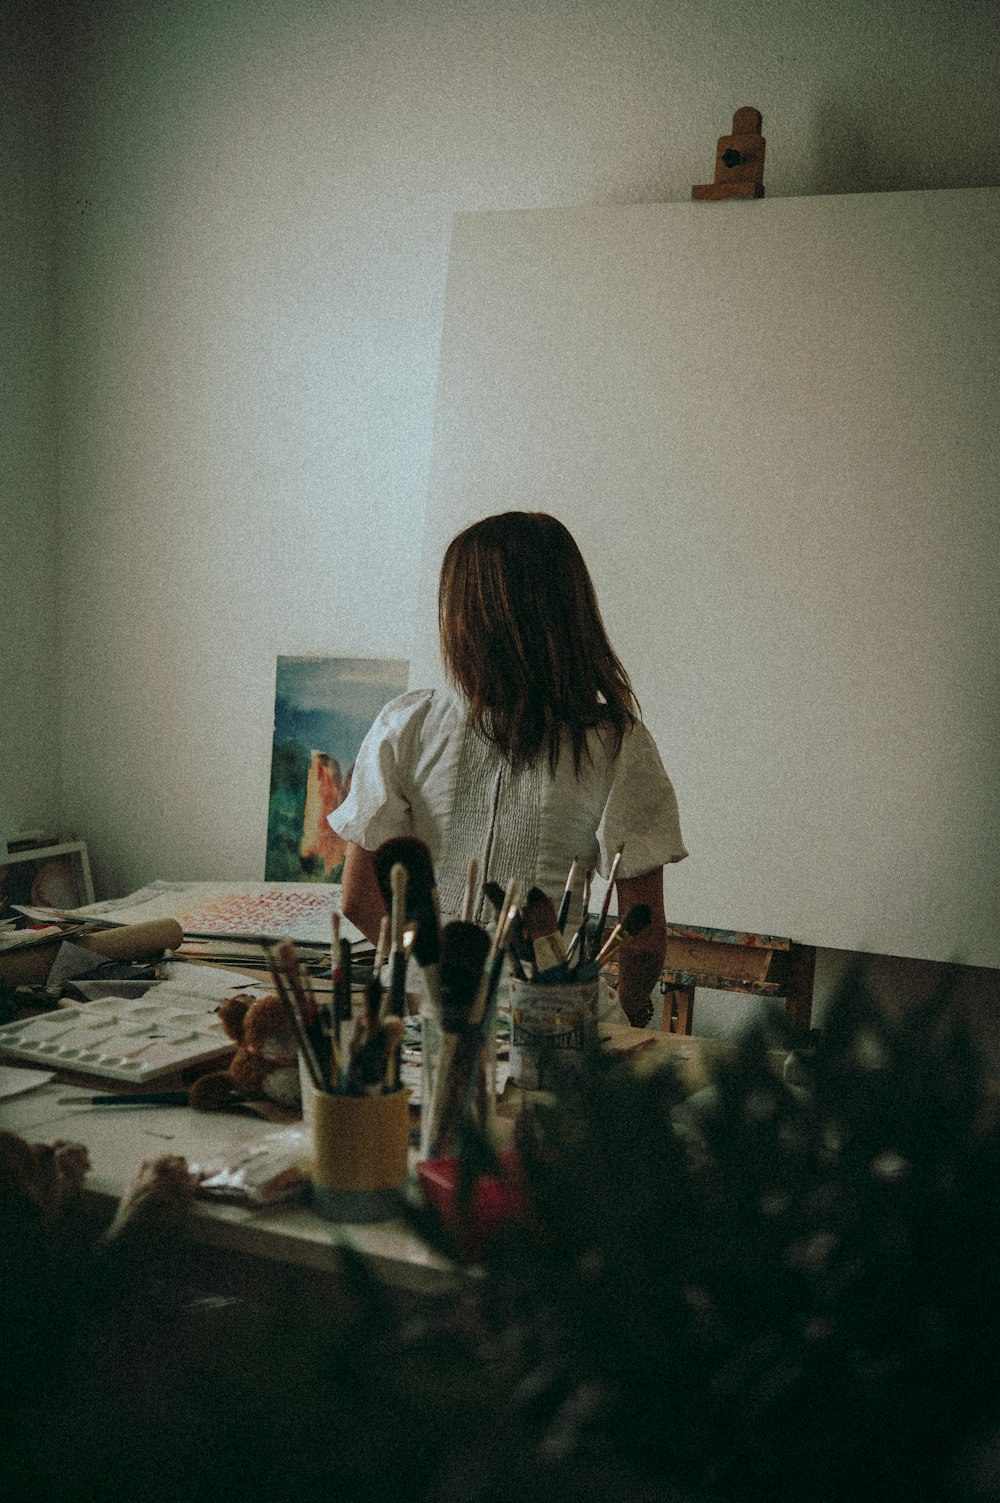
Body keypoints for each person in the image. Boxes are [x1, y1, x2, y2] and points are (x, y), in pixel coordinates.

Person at [330, 511, 687, 1026]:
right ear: (570, 614)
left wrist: (429, 968)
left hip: (419, 1014)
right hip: (555, 1020)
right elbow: (645, 942)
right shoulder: (617, 743)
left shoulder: (405, 726)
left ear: (465, 619)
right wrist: (627, 1012)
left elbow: (360, 898)